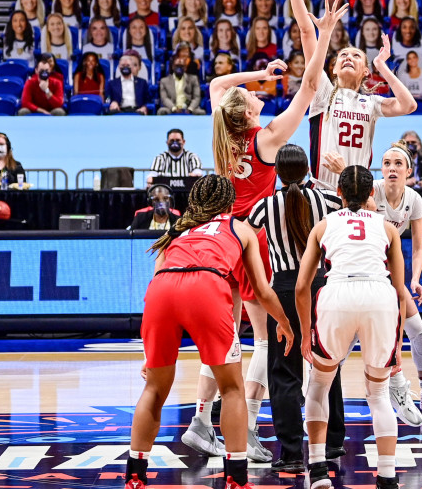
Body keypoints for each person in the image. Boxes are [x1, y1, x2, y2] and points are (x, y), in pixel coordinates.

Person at [183, 0, 343, 462]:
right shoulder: (266, 139)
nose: (258, 94)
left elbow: (217, 84)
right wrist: (324, 36)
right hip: (251, 241)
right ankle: (247, 426)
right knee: (267, 339)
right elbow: (310, 85)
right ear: (249, 114)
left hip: (219, 235)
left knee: (226, 334)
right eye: (254, 96)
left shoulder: (221, 133)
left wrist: (259, 75)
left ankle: (200, 419)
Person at [124, 174, 294, 489]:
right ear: (229, 203)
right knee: (231, 389)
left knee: (154, 389)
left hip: (161, 291)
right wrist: (284, 322)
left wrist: (151, 351)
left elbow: (158, 277)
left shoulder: (178, 229)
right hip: (205, 286)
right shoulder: (240, 228)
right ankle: (237, 478)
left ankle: (135, 475)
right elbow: (262, 290)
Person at [264, 0, 417, 191]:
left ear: (365, 71)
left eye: (356, 56)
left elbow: (409, 105)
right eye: (343, 55)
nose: (348, 57)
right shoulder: (324, 92)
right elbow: (306, 31)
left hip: (356, 192)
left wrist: (382, 67)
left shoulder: (371, 103)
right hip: (322, 190)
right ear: (333, 69)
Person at [296, 165, 405, 489]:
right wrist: (398, 344)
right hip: (379, 296)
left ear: (339, 193)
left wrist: (305, 334)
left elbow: (302, 287)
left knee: (319, 384)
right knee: (379, 393)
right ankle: (387, 477)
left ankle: (318, 470)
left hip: (338, 294)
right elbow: (400, 292)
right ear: (372, 193)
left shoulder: (324, 225)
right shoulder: (388, 229)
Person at [248, 144, 347, 472]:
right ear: (307, 171)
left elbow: (243, 239)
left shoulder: (264, 206)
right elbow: (358, 206)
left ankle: (290, 453)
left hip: (284, 290)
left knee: (284, 373)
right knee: (328, 367)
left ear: (276, 172)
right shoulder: (328, 200)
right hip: (322, 287)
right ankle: (332, 443)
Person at [372, 143, 422, 424]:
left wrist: (415, 279)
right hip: (366, 272)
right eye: (387, 163)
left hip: (391, 274)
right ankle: (322, 396)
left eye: (398, 164)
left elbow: (417, 248)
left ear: (408, 171)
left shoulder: (414, 199)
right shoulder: (372, 191)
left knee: (419, 332)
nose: (391, 168)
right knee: (360, 341)